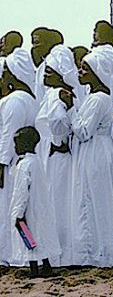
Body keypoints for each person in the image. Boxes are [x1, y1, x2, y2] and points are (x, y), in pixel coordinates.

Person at [71, 47, 113, 267]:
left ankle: (94, 253)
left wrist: (71, 110)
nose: (80, 72)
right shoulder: (99, 97)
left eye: (85, 69)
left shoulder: (97, 99)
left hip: (94, 151)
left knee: (90, 199)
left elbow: (83, 131)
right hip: (99, 149)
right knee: (95, 198)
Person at [38, 45, 80, 266]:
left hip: (56, 156)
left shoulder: (57, 95)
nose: (45, 75)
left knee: (56, 201)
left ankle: (58, 251)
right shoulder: (56, 93)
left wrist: (58, 142)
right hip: (56, 155)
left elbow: (58, 123)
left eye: (49, 71)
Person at [0, 49, 39, 266]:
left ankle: (13, 255)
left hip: (11, 165)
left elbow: (8, 136)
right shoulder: (30, 99)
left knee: (11, 212)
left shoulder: (15, 100)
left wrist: (2, 164)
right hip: (21, 162)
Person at [10, 127, 60, 278]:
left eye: (17, 144)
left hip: (28, 209)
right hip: (41, 207)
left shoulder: (24, 165)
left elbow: (21, 191)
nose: (15, 147)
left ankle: (34, 269)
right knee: (42, 236)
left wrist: (18, 213)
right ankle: (46, 265)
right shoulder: (36, 161)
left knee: (29, 238)